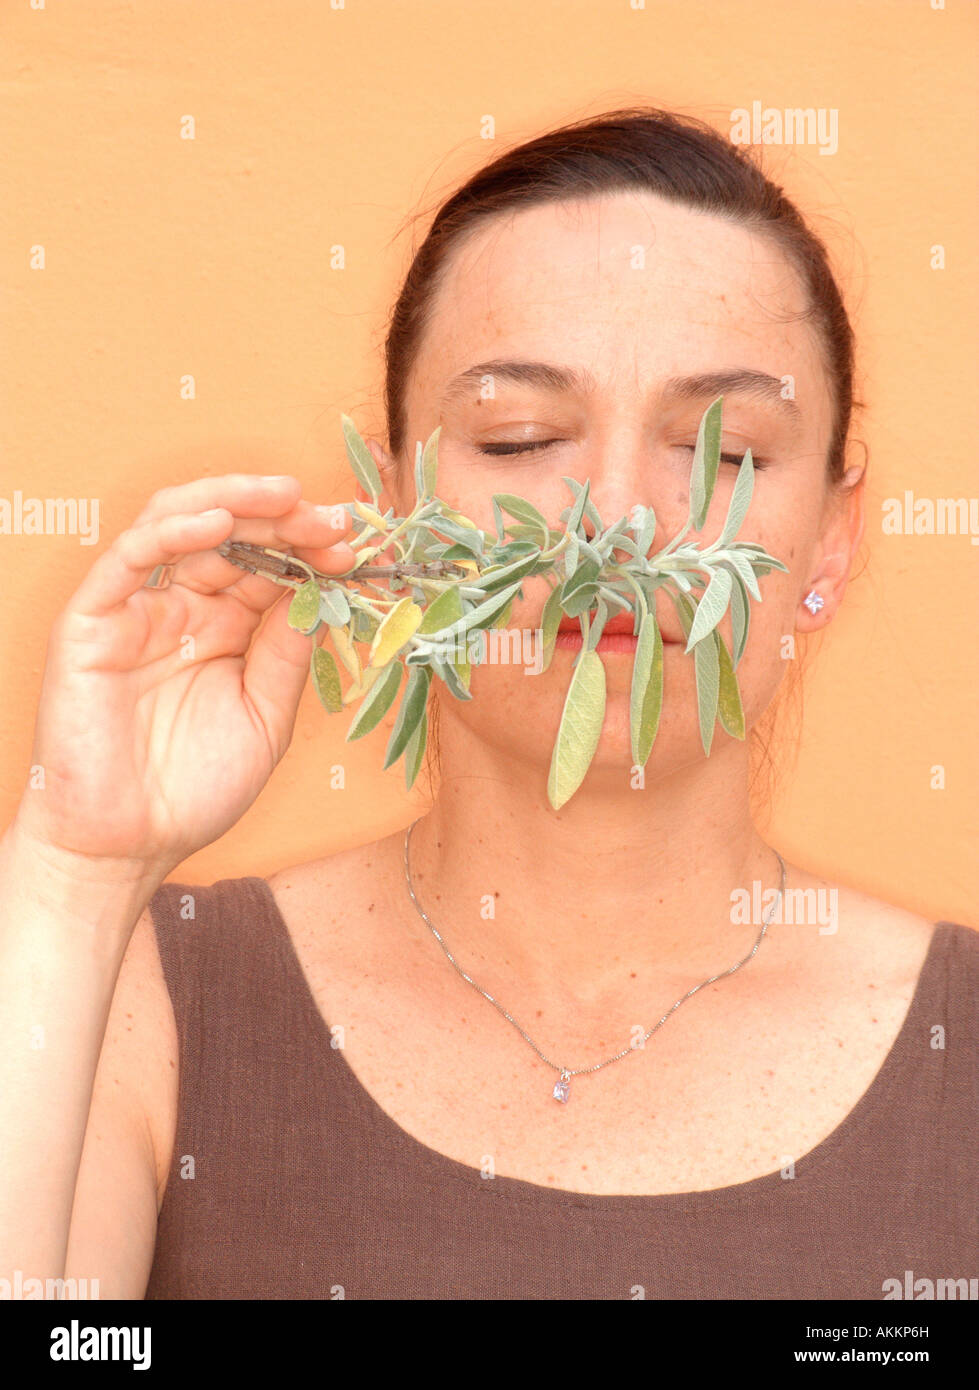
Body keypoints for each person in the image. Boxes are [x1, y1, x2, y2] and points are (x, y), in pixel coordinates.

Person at [1, 107, 975, 1302]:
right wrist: (74, 873)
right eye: (519, 434)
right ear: (397, 506)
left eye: (725, 451)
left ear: (831, 541)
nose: (613, 518)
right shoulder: (141, 1014)